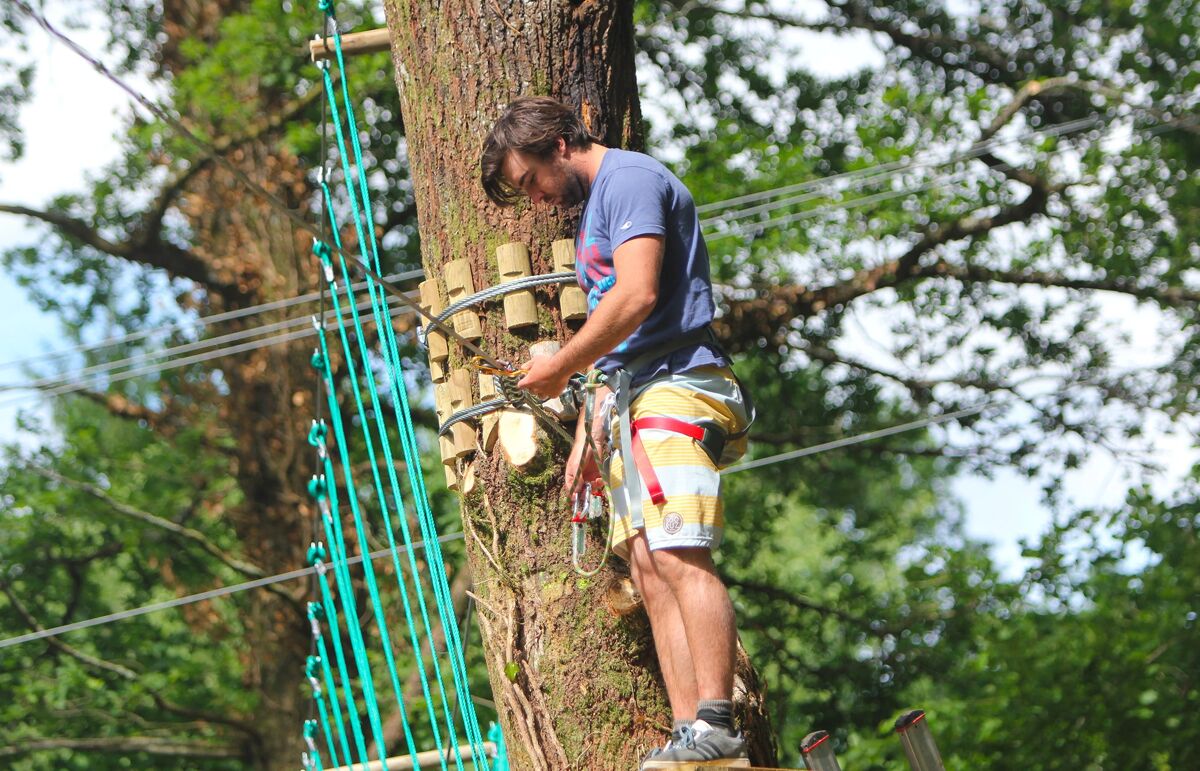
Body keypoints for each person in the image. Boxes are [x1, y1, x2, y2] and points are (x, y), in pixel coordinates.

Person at [480, 96, 753, 769]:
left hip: (681, 384)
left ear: (559, 144)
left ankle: (718, 717)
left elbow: (636, 298)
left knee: (679, 550)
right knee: (650, 567)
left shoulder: (628, 181)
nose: (538, 198)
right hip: (634, 398)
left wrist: (558, 365)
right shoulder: (594, 214)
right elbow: (615, 350)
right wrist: (587, 437)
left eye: (529, 181)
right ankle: (692, 730)